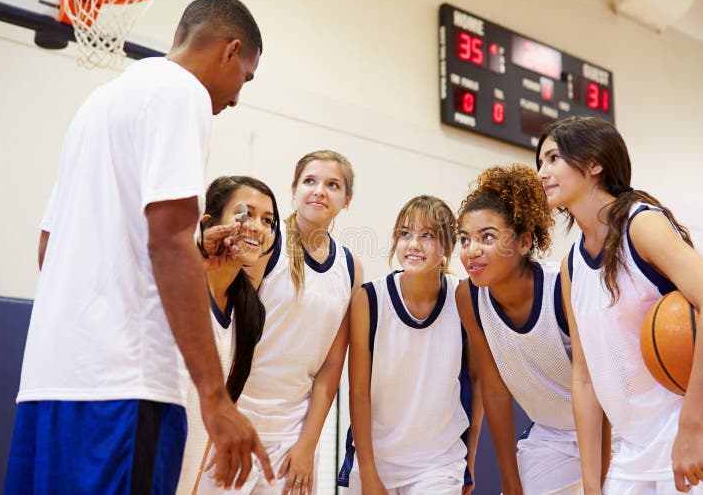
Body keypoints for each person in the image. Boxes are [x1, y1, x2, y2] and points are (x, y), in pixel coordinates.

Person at [6, 0, 274, 494]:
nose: (237, 97)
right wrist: (215, 399)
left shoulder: (98, 103)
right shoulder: (182, 93)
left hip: (47, 385)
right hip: (123, 390)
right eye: (246, 77)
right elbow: (168, 241)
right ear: (230, 51)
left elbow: (50, 249)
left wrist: (189, 253)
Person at [536, 116, 703, 494]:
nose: (542, 173)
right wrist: (592, 483)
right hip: (634, 448)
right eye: (540, 163)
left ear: (594, 163)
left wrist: (692, 428)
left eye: (553, 159)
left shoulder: (641, 226)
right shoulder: (572, 266)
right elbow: (584, 377)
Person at [198, 150, 363, 495]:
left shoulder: (350, 267)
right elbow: (230, 327)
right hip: (238, 414)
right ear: (294, 188)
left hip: (293, 432)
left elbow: (332, 365)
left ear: (346, 200)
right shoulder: (267, 242)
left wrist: (308, 443)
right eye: (310, 181)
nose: (319, 190)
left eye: (332, 185)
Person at [455, 164, 592, 494]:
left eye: (487, 237)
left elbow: (597, 387)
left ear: (523, 241)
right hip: (551, 436)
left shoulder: (563, 289)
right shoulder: (468, 296)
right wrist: (511, 482)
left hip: (610, 431)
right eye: (464, 239)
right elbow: (495, 391)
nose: (472, 250)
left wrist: (594, 481)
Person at [338, 195, 482, 495]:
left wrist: (470, 458)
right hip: (377, 460)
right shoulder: (368, 299)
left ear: (445, 246)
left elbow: (478, 382)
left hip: (439, 463)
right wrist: (367, 472)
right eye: (405, 234)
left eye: (426, 235)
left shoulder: (464, 298)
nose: (413, 244)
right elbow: (358, 392)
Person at [178, 176, 281, 493]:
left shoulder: (249, 313)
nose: (257, 227)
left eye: (268, 220)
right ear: (209, 223)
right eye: (245, 214)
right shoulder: (175, 286)